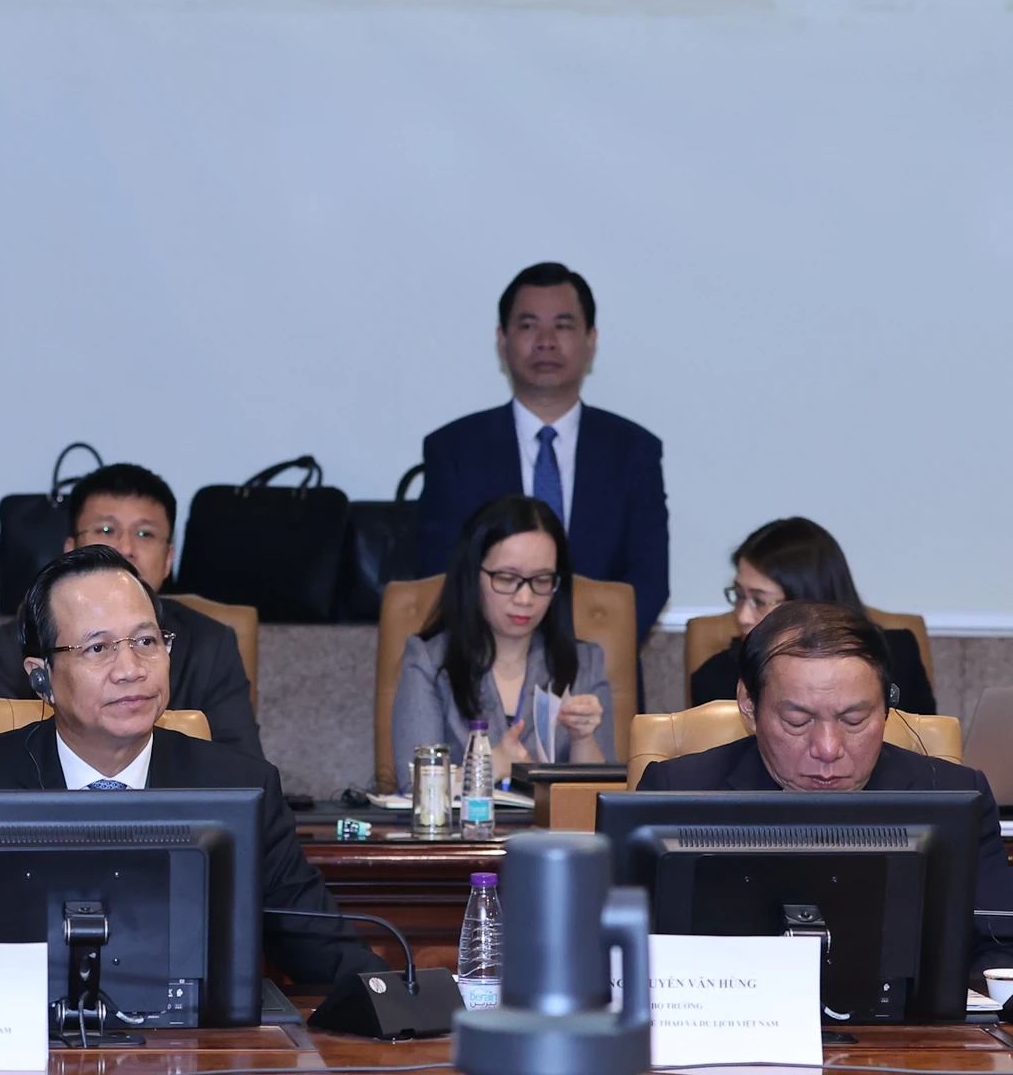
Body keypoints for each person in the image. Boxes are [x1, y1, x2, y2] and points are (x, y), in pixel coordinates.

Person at [0, 546, 384, 987]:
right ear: (41, 678)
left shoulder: (239, 789)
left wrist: (402, 1003)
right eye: (97, 648)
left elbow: (323, 949)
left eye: (146, 641)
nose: (131, 669)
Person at [640, 601, 1013, 978]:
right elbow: (632, 950)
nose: (828, 748)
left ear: (886, 707)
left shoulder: (954, 795)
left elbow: (1000, 947)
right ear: (749, 705)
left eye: (854, 719)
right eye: (797, 721)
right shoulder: (678, 793)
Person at [415, 262, 668, 644]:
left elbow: (648, 580)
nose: (546, 341)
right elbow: (442, 573)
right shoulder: (453, 449)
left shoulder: (634, 451)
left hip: (600, 666)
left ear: (591, 340)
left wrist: (587, 660)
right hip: (483, 663)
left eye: (563, 326)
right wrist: (506, 661)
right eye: (528, 325)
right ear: (502, 340)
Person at [0, 463, 263, 761]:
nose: (125, 548)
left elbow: (240, 767)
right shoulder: (13, 645)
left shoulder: (211, 644)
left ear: (168, 560)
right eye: (107, 530)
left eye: (145, 533)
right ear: (71, 550)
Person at [394, 495, 613, 772]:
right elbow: (417, 782)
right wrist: (491, 765)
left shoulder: (586, 664)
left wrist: (582, 738)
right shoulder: (429, 660)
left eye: (541, 581)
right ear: (473, 574)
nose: (525, 598)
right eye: (507, 579)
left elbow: (603, 790)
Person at [691, 517, 934, 714]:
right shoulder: (716, 677)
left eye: (760, 601)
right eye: (739, 595)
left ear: (810, 601)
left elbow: (924, 750)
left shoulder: (897, 657)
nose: (743, 617)